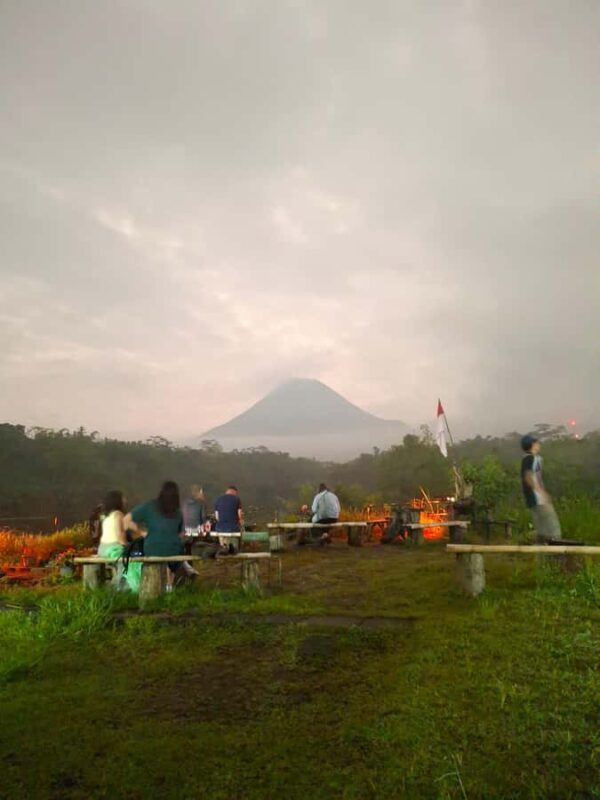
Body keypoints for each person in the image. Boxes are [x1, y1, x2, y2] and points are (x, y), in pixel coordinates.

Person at [125, 480, 198, 590]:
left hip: (152, 549)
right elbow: (180, 534)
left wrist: (141, 532)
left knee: (161, 557)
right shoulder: (178, 512)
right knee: (176, 557)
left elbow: (126, 520)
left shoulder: (149, 506)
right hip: (173, 550)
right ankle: (170, 585)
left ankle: (161, 585)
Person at [97, 490, 141, 592]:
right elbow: (119, 533)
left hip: (102, 548)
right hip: (113, 548)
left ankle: (117, 587)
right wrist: (126, 546)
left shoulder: (108, 516)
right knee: (131, 561)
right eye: (123, 498)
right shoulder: (118, 514)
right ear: (117, 500)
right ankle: (120, 588)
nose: (125, 500)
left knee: (125, 561)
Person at [520, 434, 562, 542]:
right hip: (537, 498)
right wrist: (541, 492)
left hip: (535, 498)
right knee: (552, 526)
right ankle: (555, 548)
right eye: (536, 443)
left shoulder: (531, 458)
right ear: (532, 445)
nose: (538, 445)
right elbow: (528, 477)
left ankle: (541, 549)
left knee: (542, 528)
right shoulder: (530, 458)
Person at [214, 485, 243, 554]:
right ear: (234, 492)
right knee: (240, 529)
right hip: (233, 528)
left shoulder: (218, 499)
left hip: (220, 528)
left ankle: (223, 547)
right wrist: (240, 521)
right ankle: (235, 550)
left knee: (221, 530)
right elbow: (239, 515)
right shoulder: (237, 499)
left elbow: (217, 517)